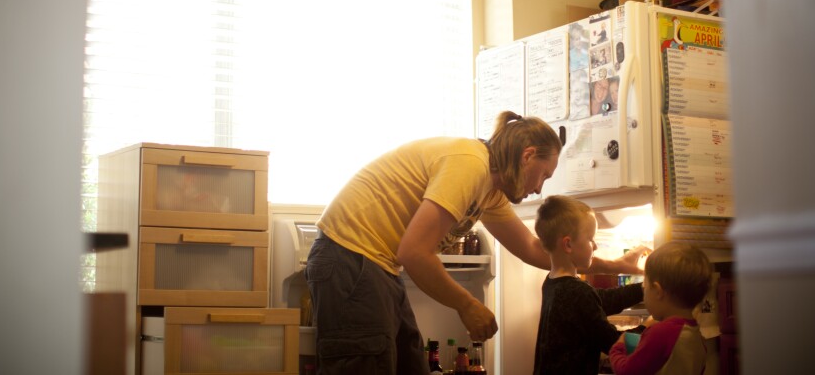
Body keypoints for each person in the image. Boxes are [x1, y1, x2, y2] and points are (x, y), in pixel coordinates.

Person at [305, 111, 649, 375]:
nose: (539, 188)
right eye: (543, 174)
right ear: (527, 156)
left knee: (410, 364)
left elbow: (534, 249)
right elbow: (413, 252)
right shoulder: (470, 164)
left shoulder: (490, 192)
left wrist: (619, 265)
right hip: (350, 259)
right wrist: (467, 305)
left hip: (377, 267)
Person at [532, 195, 646, 375]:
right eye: (591, 239)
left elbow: (600, 301)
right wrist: (649, 328)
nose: (595, 246)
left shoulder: (552, 283)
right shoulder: (577, 292)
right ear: (568, 244)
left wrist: (643, 290)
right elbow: (613, 343)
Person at [608, 242, 712, 375]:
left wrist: (618, 349)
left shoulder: (661, 333)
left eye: (644, 287)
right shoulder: (696, 336)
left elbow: (627, 371)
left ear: (657, 291)